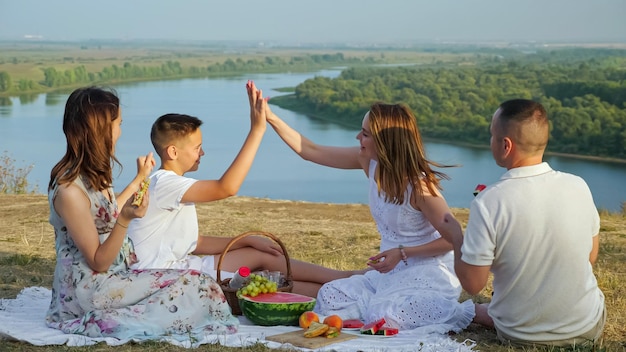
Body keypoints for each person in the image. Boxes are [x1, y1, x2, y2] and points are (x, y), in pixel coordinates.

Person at [127, 81, 361, 298]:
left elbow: (193, 242)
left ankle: (341, 279)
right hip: (159, 279)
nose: (202, 153)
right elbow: (227, 188)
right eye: (197, 148)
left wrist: (246, 240)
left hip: (176, 268)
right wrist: (257, 130)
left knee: (261, 255)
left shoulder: (169, 183)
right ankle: (340, 291)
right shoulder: (166, 183)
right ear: (173, 152)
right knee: (260, 279)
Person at [263, 98, 476, 333]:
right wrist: (270, 117)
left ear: (385, 142)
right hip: (391, 273)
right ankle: (362, 311)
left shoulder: (420, 188)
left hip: (427, 273)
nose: (357, 138)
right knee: (331, 294)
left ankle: (466, 312)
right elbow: (311, 151)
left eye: (365, 134)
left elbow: (452, 239)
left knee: (385, 314)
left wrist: (403, 253)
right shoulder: (370, 162)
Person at [46, 86, 238, 340]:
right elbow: (98, 261)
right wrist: (126, 219)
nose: (120, 132)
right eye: (118, 124)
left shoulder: (90, 173)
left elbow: (106, 213)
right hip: (88, 291)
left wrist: (139, 180)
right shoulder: (70, 191)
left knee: (197, 283)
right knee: (198, 286)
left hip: (113, 276)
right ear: (100, 130)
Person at [439, 99, 606, 347]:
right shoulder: (578, 185)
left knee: (472, 308)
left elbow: (473, 284)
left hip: (521, 334)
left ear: (506, 145)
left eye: (492, 135)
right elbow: (590, 257)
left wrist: (455, 237)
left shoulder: (489, 202)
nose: (490, 141)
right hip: (586, 328)